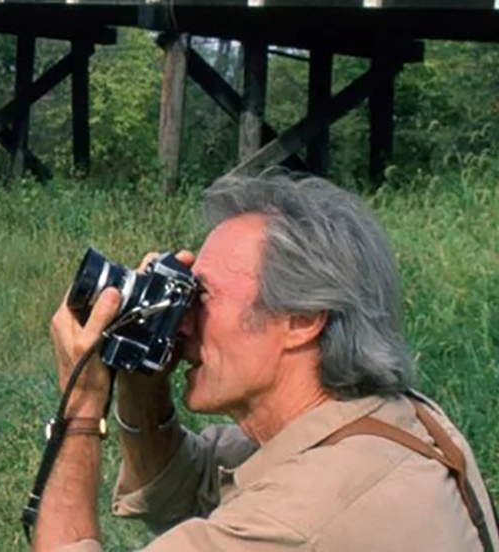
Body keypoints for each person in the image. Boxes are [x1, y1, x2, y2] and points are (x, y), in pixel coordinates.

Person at [33, 173, 498, 551]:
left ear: (302, 319)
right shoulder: (402, 419)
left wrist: (81, 405)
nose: (184, 323)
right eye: (183, 298)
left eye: (204, 297)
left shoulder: (300, 519)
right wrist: (144, 368)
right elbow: (177, 490)